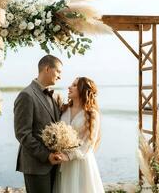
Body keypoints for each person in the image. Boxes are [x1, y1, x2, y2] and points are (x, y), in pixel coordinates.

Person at [14, 54, 63, 193]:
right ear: (47, 69)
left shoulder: (54, 96)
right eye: (58, 71)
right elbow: (22, 134)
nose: (60, 76)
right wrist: (46, 156)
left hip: (55, 163)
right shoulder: (26, 95)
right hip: (36, 165)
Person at [54, 77, 105, 193]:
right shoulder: (64, 109)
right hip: (62, 161)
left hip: (81, 161)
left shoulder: (92, 114)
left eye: (74, 85)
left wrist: (69, 156)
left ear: (83, 90)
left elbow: (89, 143)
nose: (69, 87)